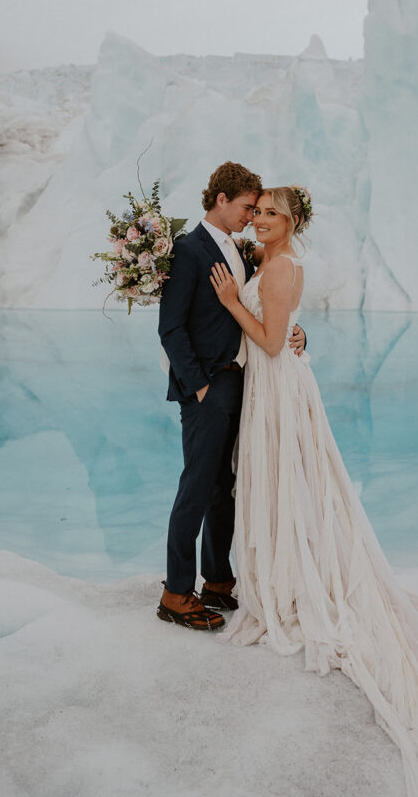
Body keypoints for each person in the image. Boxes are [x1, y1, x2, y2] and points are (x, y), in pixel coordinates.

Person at [209, 185, 418, 797]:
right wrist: (284, 325)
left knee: (296, 485)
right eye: (257, 211)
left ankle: (298, 581)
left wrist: (232, 303)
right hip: (269, 385)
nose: (260, 220)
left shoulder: (285, 263)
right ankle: (282, 572)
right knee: (276, 484)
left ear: (292, 223)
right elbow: (284, 328)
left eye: (271, 214)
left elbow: (268, 339)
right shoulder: (264, 258)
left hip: (279, 387)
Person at [157, 163, 306, 630]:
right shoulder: (190, 250)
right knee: (197, 487)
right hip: (208, 386)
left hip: (242, 381)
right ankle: (176, 593)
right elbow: (171, 327)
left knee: (226, 488)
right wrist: (198, 385)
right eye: (247, 207)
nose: (251, 217)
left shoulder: (243, 251)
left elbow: (269, 312)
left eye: (259, 210)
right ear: (221, 200)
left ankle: (217, 582)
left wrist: (297, 334)